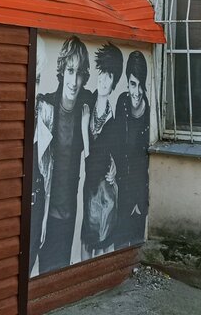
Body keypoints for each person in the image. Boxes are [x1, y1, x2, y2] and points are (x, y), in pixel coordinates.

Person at [33, 36, 91, 273]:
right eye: (70, 71)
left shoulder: (87, 107)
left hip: (68, 217)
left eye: (79, 73)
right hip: (42, 215)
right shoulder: (45, 107)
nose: (74, 81)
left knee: (56, 277)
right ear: (62, 71)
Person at [80, 43, 124, 260]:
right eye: (102, 73)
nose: (103, 80)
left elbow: (115, 155)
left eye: (109, 76)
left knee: (103, 239)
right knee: (86, 239)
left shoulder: (113, 120)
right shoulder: (86, 102)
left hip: (105, 190)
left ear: (114, 83)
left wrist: (114, 171)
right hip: (88, 185)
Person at [114, 51, 150, 249]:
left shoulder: (149, 114)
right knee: (119, 244)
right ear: (127, 82)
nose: (136, 91)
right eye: (132, 84)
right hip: (121, 189)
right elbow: (118, 147)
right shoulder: (122, 103)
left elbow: (144, 161)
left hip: (139, 191)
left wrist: (138, 199)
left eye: (140, 84)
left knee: (136, 245)